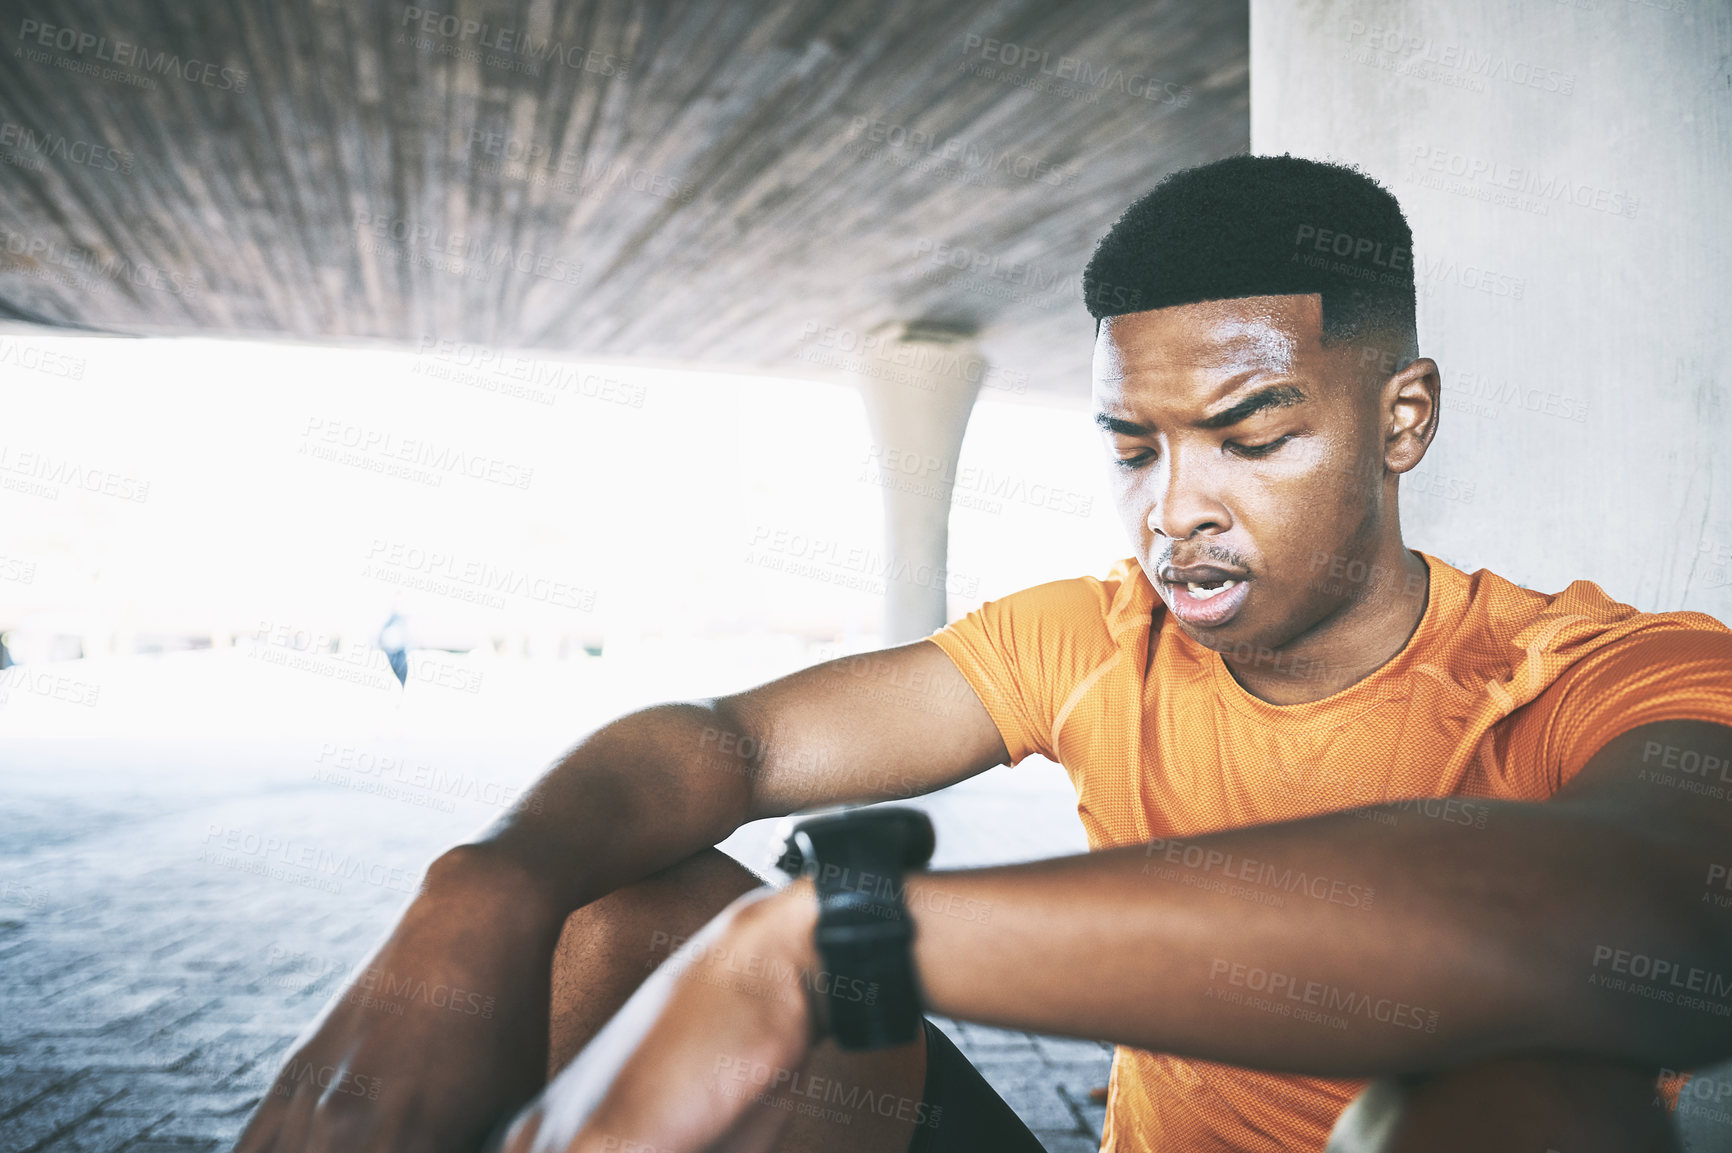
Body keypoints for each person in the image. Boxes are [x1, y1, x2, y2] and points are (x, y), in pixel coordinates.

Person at [235, 155, 1732, 1153]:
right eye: (1132, 447)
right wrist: (483, 882)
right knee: (613, 904)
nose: (1177, 509)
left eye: (1252, 435)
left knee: (1529, 1097)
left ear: (1401, 419)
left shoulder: (1597, 667)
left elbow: (1664, 922)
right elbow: (733, 746)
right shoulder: (1091, 637)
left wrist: (850, 933)